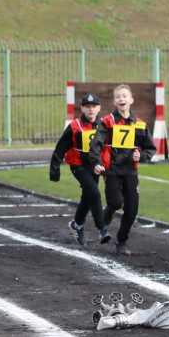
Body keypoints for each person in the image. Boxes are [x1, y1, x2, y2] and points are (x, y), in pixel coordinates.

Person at [89, 84, 157, 256]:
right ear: (114, 101)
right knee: (115, 202)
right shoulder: (107, 122)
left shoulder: (139, 125)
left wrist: (141, 157)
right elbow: (96, 144)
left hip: (130, 172)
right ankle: (104, 220)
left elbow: (150, 148)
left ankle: (122, 241)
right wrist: (96, 162)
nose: (121, 99)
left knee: (132, 208)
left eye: (124, 96)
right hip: (111, 169)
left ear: (131, 100)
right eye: (118, 97)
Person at [49, 93, 110, 246]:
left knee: (88, 196)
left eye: (94, 106)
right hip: (78, 165)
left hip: (95, 166)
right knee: (95, 194)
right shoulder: (75, 126)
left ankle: (76, 225)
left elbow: (108, 149)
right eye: (87, 107)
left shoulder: (103, 125)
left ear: (99, 108)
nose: (91, 109)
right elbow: (60, 149)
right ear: (82, 108)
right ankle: (102, 229)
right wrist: (55, 171)